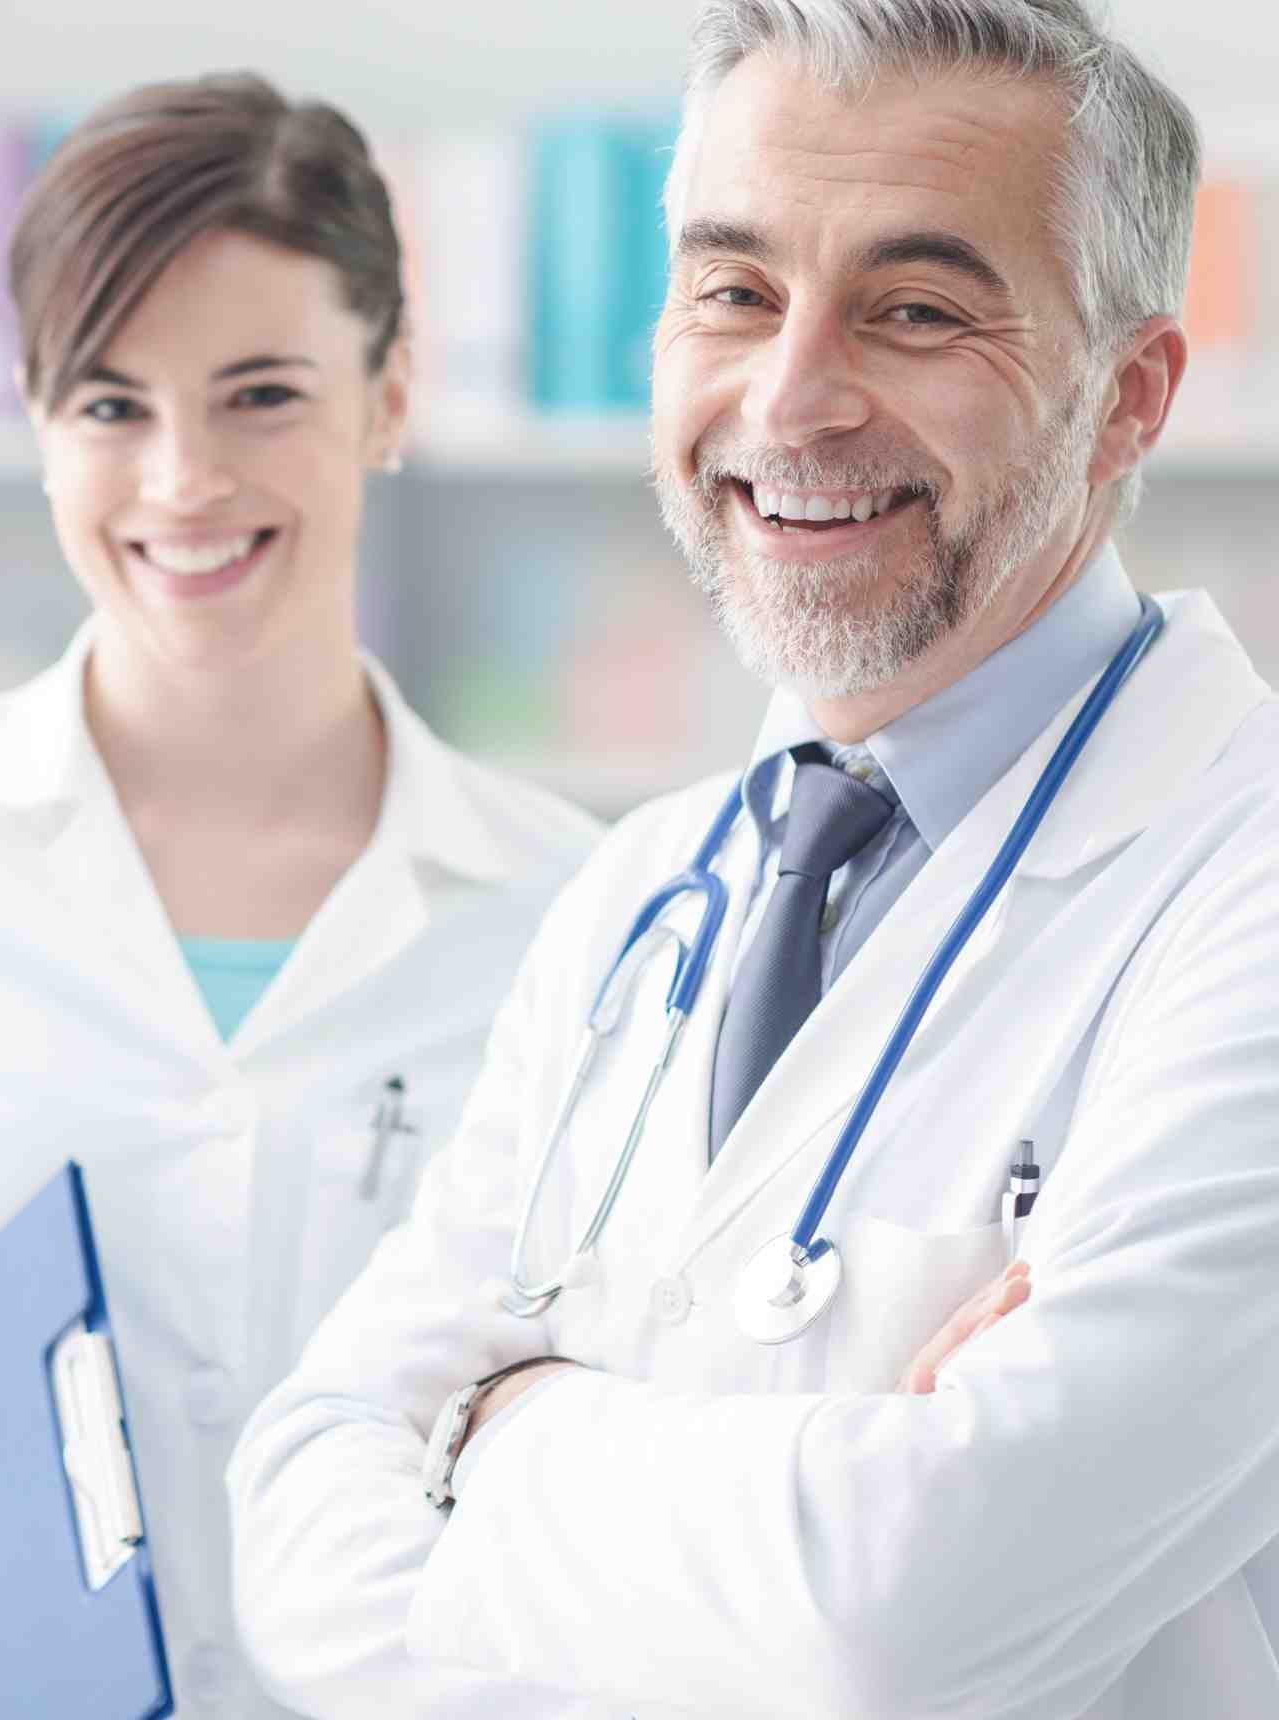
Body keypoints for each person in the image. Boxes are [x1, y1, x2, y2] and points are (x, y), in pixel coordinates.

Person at [228, 3, 1279, 1716]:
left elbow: (897, 1619)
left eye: (918, 310)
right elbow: (295, 1521)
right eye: (732, 292)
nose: (791, 398)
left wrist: (502, 1427)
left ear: (1128, 399)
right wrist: (811, 1508)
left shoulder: (1241, 885)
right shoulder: (640, 894)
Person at [0, 76, 598, 1719]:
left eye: (260, 394)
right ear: (34, 417)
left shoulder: (576, 915)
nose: (182, 481)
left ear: (390, 395)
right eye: (109, 405)